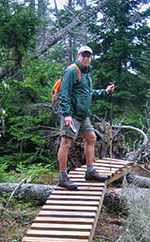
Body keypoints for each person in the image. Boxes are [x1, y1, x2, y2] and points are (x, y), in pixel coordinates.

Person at [57, 45, 115, 190]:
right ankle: (63, 177)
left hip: (83, 115)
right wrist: (67, 114)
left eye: (88, 56)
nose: (86, 58)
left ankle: (90, 171)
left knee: (91, 138)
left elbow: (88, 93)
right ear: (78, 56)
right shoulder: (72, 71)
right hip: (72, 115)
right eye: (83, 55)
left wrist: (105, 92)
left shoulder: (87, 73)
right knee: (66, 143)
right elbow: (63, 94)